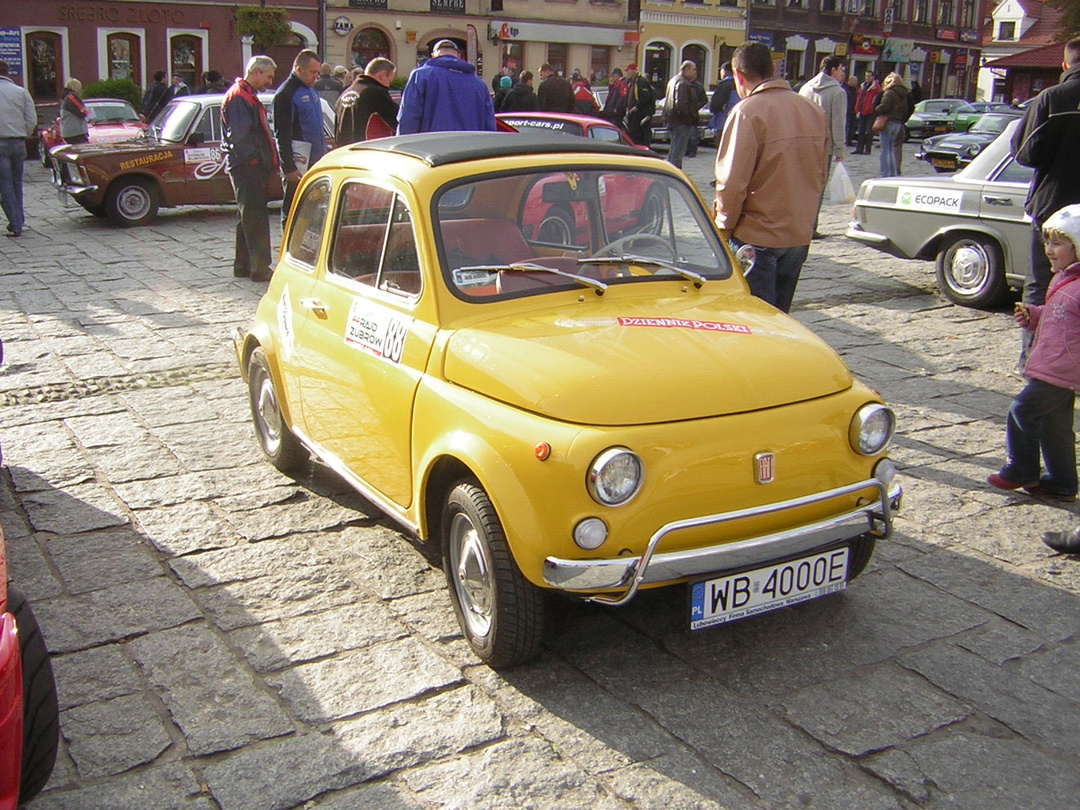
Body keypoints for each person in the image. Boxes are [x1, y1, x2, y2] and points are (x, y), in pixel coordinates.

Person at [713, 41, 828, 313]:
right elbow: (820, 174)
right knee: (779, 318)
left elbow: (732, 183)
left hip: (757, 234)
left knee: (756, 319)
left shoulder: (747, 112)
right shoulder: (812, 110)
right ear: (773, 69)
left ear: (738, 76)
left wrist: (722, 228)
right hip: (797, 233)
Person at [986, 203, 1080, 504]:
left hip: (1062, 369)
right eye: (1047, 243)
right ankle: (1062, 482)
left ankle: (1021, 469)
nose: (1049, 250)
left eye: (1058, 243)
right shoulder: (1063, 278)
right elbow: (1059, 316)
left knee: (1022, 410)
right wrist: (1034, 315)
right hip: (1056, 365)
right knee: (1055, 427)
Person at [1012, 38, 1080, 323]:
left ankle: (1035, 348)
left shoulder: (1050, 98)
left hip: (1053, 204)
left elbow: (1023, 153)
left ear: (1064, 65)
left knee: (1039, 283)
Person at [221, 55, 279, 282]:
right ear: (256, 72)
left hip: (247, 165)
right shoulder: (239, 97)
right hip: (247, 167)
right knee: (255, 218)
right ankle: (260, 268)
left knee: (247, 216)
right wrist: (256, 161)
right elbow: (241, 137)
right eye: (268, 77)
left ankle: (244, 265)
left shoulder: (244, 95)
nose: (270, 82)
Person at [272, 49, 326, 225]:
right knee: (294, 210)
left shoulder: (311, 89)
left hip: (316, 160)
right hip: (299, 164)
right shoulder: (286, 93)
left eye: (318, 72)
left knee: (314, 211)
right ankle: (288, 241)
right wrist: (289, 167)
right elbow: (282, 134)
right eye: (312, 72)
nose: (316, 77)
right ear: (299, 69)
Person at [398, 40, 496, 134]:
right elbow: (489, 125)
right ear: (458, 56)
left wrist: (403, 142)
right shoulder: (480, 85)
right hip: (470, 144)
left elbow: (409, 117)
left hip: (432, 143)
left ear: (433, 55)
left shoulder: (420, 76)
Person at [799, 56, 847, 238]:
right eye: (841, 70)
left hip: (803, 145)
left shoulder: (805, 88)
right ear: (833, 70)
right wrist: (840, 150)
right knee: (817, 187)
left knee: (802, 185)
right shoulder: (837, 92)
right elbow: (838, 123)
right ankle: (811, 227)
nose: (842, 74)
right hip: (823, 147)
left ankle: (799, 224)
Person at [0, 59, 35, 238]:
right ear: (7, 72)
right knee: (17, 182)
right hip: (18, 142)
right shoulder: (21, 92)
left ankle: (15, 223)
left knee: (4, 183)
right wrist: (23, 133)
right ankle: (19, 219)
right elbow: (31, 119)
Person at [335, 58, 398, 145]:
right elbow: (399, 122)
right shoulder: (377, 93)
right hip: (369, 149)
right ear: (382, 75)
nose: (388, 85)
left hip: (345, 150)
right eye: (389, 81)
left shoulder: (342, 96)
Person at [663, 60, 701, 169]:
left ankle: (670, 169)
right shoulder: (683, 83)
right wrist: (689, 119)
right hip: (680, 121)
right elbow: (681, 105)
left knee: (674, 148)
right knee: (678, 150)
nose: (695, 72)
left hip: (672, 119)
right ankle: (674, 171)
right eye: (693, 69)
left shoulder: (674, 80)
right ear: (686, 70)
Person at [873, 73, 910, 178]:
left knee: (885, 149)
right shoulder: (903, 94)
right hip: (897, 123)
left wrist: (877, 109)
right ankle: (893, 172)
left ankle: (885, 173)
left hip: (888, 122)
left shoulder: (889, 93)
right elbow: (906, 110)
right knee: (891, 148)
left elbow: (884, 106)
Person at [624, 63, 656, 147]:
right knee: (633, 133)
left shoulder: (641, 81)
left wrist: (636, 107)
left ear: (633, 71)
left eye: (628, 71)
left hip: (640, 113)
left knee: (639, 134)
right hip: (632, 113)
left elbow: (645, 96)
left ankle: (642, 149)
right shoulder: (631, 82)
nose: (627, 73)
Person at [853, 71, 880, 155]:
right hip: (862, 110)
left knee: (869, 131)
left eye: (868, 76)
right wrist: (857, 108)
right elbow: (859, 98)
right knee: (860, 130)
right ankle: (859, 148)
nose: (867, 78)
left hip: (871, 112)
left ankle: (868, 149)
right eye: (866, 76)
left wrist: (873, 107)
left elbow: (877, 99)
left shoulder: (876, 88)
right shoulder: (863, 86)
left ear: (872, 77)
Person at [709, 62, 738, 135]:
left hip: (723, 122)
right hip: (737, 123)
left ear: (724, 71)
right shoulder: (739, 84)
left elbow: (716, 104)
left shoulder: (724, 85)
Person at [59, 78, 90, 145]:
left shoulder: (65, 98)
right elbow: (82, 112)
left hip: (68, 131)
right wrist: (88, 112)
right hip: (75, 132)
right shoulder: (71, 97)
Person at [844, 75, 859, 146]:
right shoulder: (846, 89)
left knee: (852, 126)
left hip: (853, 110)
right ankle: (847, 140)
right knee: (848, 125)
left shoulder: (855, 89)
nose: (856, 82)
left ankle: (849, 140)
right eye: (855, 81)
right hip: (848, 110)